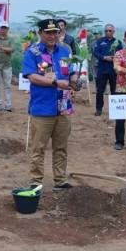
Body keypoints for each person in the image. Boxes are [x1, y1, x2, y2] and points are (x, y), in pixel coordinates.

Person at [22, 18, 77, 192]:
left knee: (61, 147)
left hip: (63, 107)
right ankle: (36, 182)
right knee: (38, 147)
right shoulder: (33, 52)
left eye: (56, 32)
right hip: (42, 107)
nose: (53, 36)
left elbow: (73, 72)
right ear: (40, 33)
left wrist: (74, 81)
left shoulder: (65, 51)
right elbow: (31, 76)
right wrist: (55, 83)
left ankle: (60, 180)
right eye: (48, 32)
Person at [92, 23, 121, 116]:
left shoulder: (117, 42)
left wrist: (115, 58)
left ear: (113, 31)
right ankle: (99, 109)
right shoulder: (100, 41)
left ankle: (114, 110)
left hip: (113, 70)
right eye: (106, 31)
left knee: (114, 90)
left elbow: (121, 54)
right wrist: (104, 57)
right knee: (100, 90)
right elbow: (95, 52)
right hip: (102, 69)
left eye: (110, 31)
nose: (108, 32)